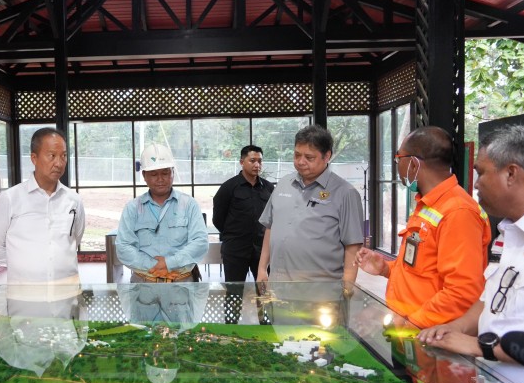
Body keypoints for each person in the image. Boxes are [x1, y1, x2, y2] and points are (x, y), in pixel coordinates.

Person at [417, 125, 524, 383]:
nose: (476, 184)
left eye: (481, 172)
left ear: (511, 173)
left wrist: (482, 347)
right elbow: (491, 302)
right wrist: (457, 327)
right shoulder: (510, 231)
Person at [354, 126, 491, 328]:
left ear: (413, 164)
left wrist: (412, 325)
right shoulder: (428, 204)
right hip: (406, 328)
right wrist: (385, 268)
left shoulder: (458, 212)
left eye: (398, 159)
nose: (397, 165)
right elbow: (421, 268)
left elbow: (462, 292)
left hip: (427, 334)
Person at [256, 125, 364, 292]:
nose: (301, 162)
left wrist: (347, 289)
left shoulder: (345, 193)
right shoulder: (283, 184)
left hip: (321, 292)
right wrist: (262, 268)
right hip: (279, 287)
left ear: (327, 156)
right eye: (297, 155)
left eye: (309, 157)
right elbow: (270, 227)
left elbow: (353, 246)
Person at [0, 127, 85, 285]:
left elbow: (75, 238)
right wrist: (24, 269)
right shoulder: (9, 199)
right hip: (24, 292)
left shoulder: (74, 200)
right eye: (52, 156)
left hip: (67, 289)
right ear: (34, 158)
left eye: (64, 156)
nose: (59, 163)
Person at [115, 143, 208, 282]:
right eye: (153, 174)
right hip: (144, 283)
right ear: (144, 175)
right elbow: (123, 247)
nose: (160, 179)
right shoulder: (133, 208)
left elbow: (200, 242)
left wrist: (169, 263)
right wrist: (155, 266)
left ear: (173, 173)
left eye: (165, 173)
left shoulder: (189, 204)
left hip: (181, 282)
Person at [212, 145, 274, 285]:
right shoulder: (228, 187)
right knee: (234, 292)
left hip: (261, 251)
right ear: (242, 162)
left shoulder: (268, 188)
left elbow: (272, 218)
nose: (257, 165)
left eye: (260, 161)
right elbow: (218, 219)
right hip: (235, 250)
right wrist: (234, 234)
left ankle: (263, 302)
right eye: (252, 160)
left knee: (265, 290)